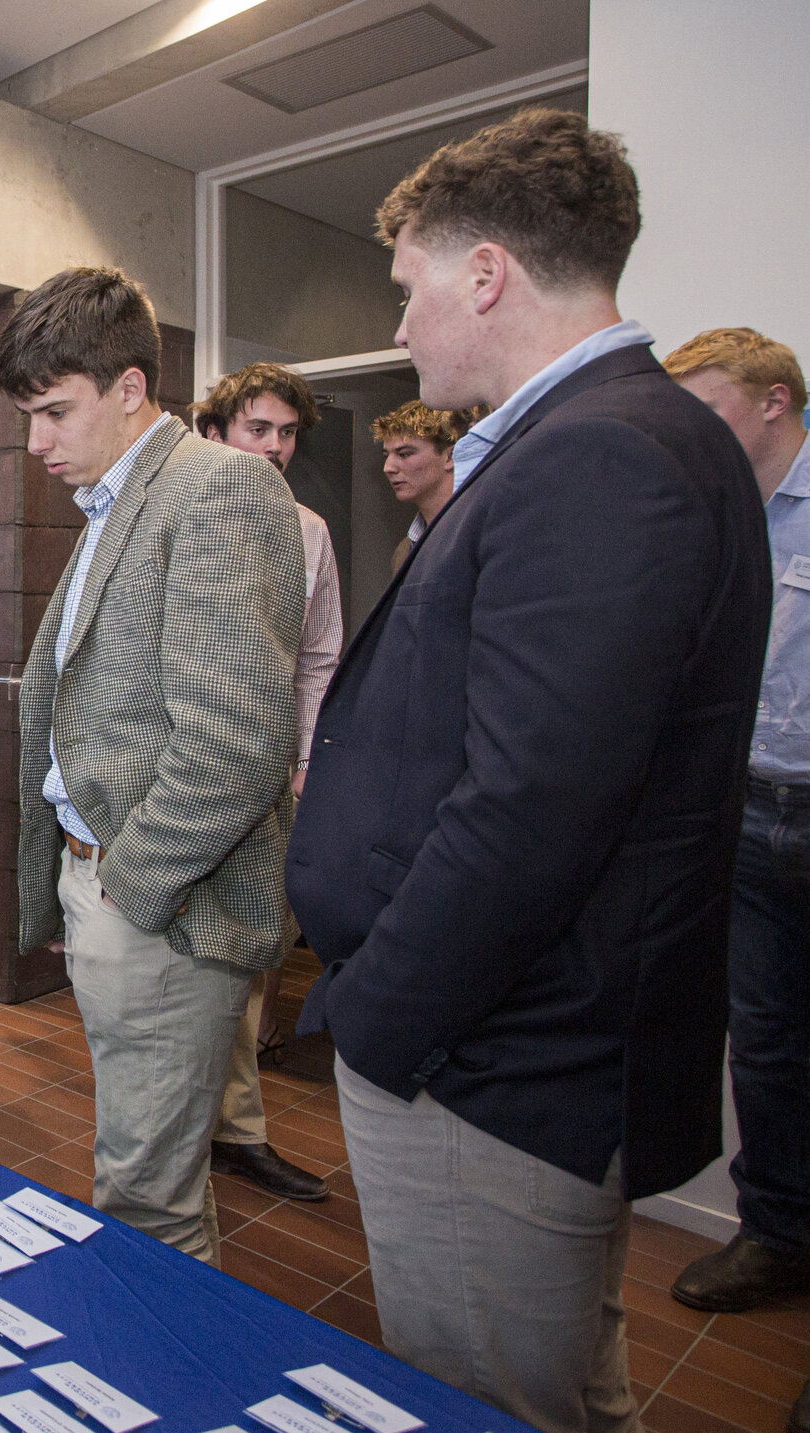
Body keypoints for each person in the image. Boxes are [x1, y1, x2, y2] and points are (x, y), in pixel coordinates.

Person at [285, 111, 768, 1433]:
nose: (404, 327)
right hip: (505, 1043)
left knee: (480, 1402)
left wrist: (382, 1015)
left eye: (407, 290)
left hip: (489, 1062)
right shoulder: (603, 438)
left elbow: (534, 807)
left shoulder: (602, 451)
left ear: (483, 273)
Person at [2, 268, 303, 1266]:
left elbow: (234, 742)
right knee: (145, 1172)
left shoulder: (219, 486)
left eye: (53, 411)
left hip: (160, 902)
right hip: (109, 880)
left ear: (128, 387)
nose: (36, 440)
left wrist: (127, 886)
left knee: (144, 1199)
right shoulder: (114, 499)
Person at [659, 327, 810, 1314]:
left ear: (771, 401)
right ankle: (776, 1235)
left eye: (703, 409)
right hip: (744, 809)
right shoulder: (708, 515)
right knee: (760, 1040)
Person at [192, 362, 341, 1205]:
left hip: (274, 785)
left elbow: (321, 656)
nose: (277, 447)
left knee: (254, 961)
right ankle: (193, 1128)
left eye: (288, 433)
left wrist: (309, 762)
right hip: (187, 784)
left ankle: (236, 1130)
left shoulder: (311, 532)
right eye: (260, 429)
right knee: (189, 966)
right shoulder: (178, 517)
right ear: (215, 433)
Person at [374, 400, 482, 568]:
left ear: (450, 456)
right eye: (386, 455)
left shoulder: (480, 534)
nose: (388, 468)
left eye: (404, 454)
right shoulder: (404, 552)